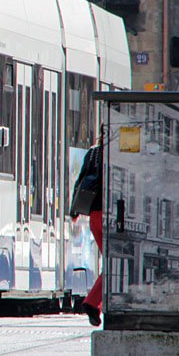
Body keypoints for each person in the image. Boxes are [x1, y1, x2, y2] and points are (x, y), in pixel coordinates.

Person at [71, 129, 105, 327]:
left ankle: (95, 304)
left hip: (94, 216)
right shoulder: (119, 154)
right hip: (109, 216)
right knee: (116, 265)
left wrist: (74, 211)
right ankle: (92, 303)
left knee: (111, 264)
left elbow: (80, 181)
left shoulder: (93, 153)